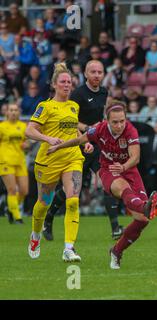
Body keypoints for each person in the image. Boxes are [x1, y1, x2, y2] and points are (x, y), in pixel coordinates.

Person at [47, 99, 157, 270]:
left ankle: (116, 251)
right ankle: (144, 205)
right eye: (115, 122)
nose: (119, 125)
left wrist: (123, 166)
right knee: (123, 189)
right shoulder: (99, 129)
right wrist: (58, 147)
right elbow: (79, 140)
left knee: (142, 220)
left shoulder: (130, 130)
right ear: (107, 120)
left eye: (122, 121)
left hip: (129, 171)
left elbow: (135, 157)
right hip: (108, 171)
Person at [43, 60, 124, 242]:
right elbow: (70, 120)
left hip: (96, 145)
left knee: (107, 182)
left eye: (100, 72)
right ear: (86, 74)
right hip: (78, 144)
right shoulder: (78, 94)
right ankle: (48, 218)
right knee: (70, 190)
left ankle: (115, 227)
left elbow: (101, 117)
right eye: (93, 72)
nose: (96, 75)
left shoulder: (104, 92)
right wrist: (88, 128)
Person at [25, 62, 91, 262]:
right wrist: (47, 139)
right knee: (44, 203)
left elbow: (72, 129)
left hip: (72, 158)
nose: (66, 85)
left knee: (72, 201)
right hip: (49, 160)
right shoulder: (45, 106)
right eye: (63, 82)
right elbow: (29, 130)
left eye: (69, 82)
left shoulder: (74, 106)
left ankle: (69, 248)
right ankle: (35, 235)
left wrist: (83, 142)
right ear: (54, 85)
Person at [0, 103, 29, 224]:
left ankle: (12, 208)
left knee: (24, 191)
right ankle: (17, 217)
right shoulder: (2, 127)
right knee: (11, 190)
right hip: (6, 161)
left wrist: (26, 145)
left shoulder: (23, 126)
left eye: (15, 110)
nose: (13, 112)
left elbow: (26, 142)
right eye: (11, 110)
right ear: (6, 112)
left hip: (20, 161)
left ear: (19, 112)